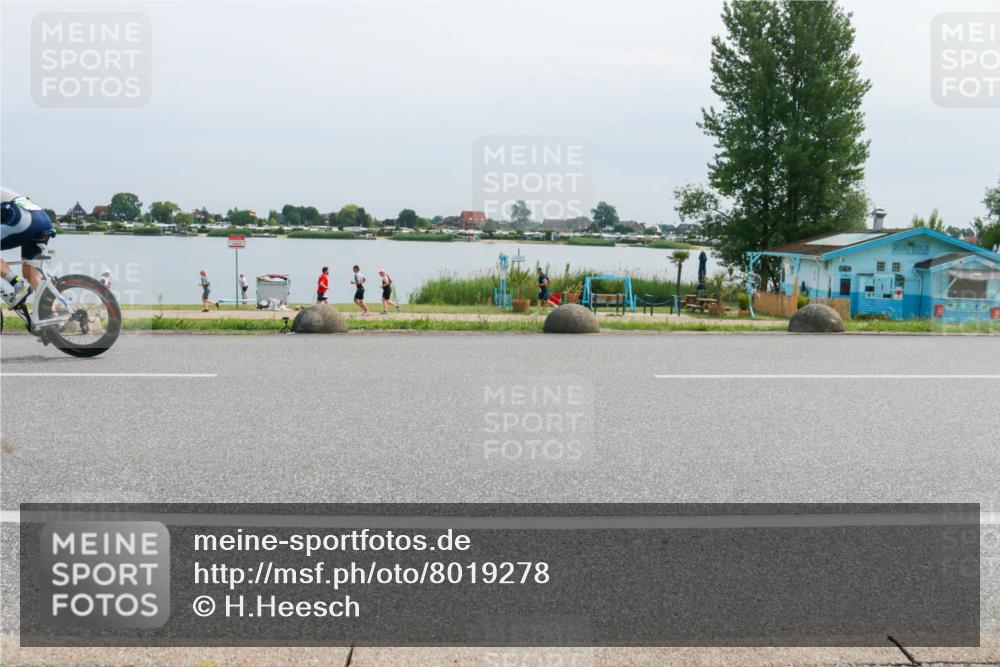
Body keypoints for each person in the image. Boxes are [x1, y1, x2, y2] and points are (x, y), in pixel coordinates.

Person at [1, 188, 55, 308]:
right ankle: (53, 318)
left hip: (21, 218)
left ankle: (18, 285)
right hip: (41, 219)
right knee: (31, 273)